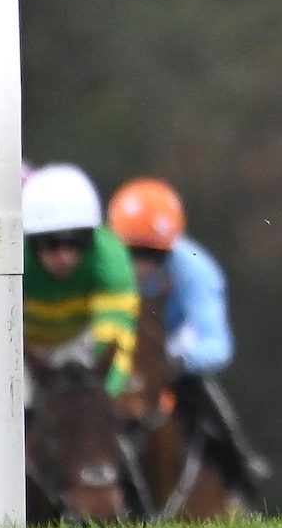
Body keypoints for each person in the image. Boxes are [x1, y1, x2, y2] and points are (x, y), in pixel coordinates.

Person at [107, 176, 270, 500]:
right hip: (115, 359)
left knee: (205, 396)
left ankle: (239, 470)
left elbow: (217, 344)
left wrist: (177, 361)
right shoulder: (101, 266)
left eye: (152, 255)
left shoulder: (197, 270)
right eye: (131, 253)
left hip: (172, 363)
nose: (140, 266)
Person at [21, 163, 138, 398]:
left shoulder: (110, 257)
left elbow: (116, 340)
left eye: (77, 242)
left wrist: (105, 396)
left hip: (76, 343)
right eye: (51, 242)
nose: (65, 256)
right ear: (30, 239)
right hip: (20, 347)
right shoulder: (13, 254)